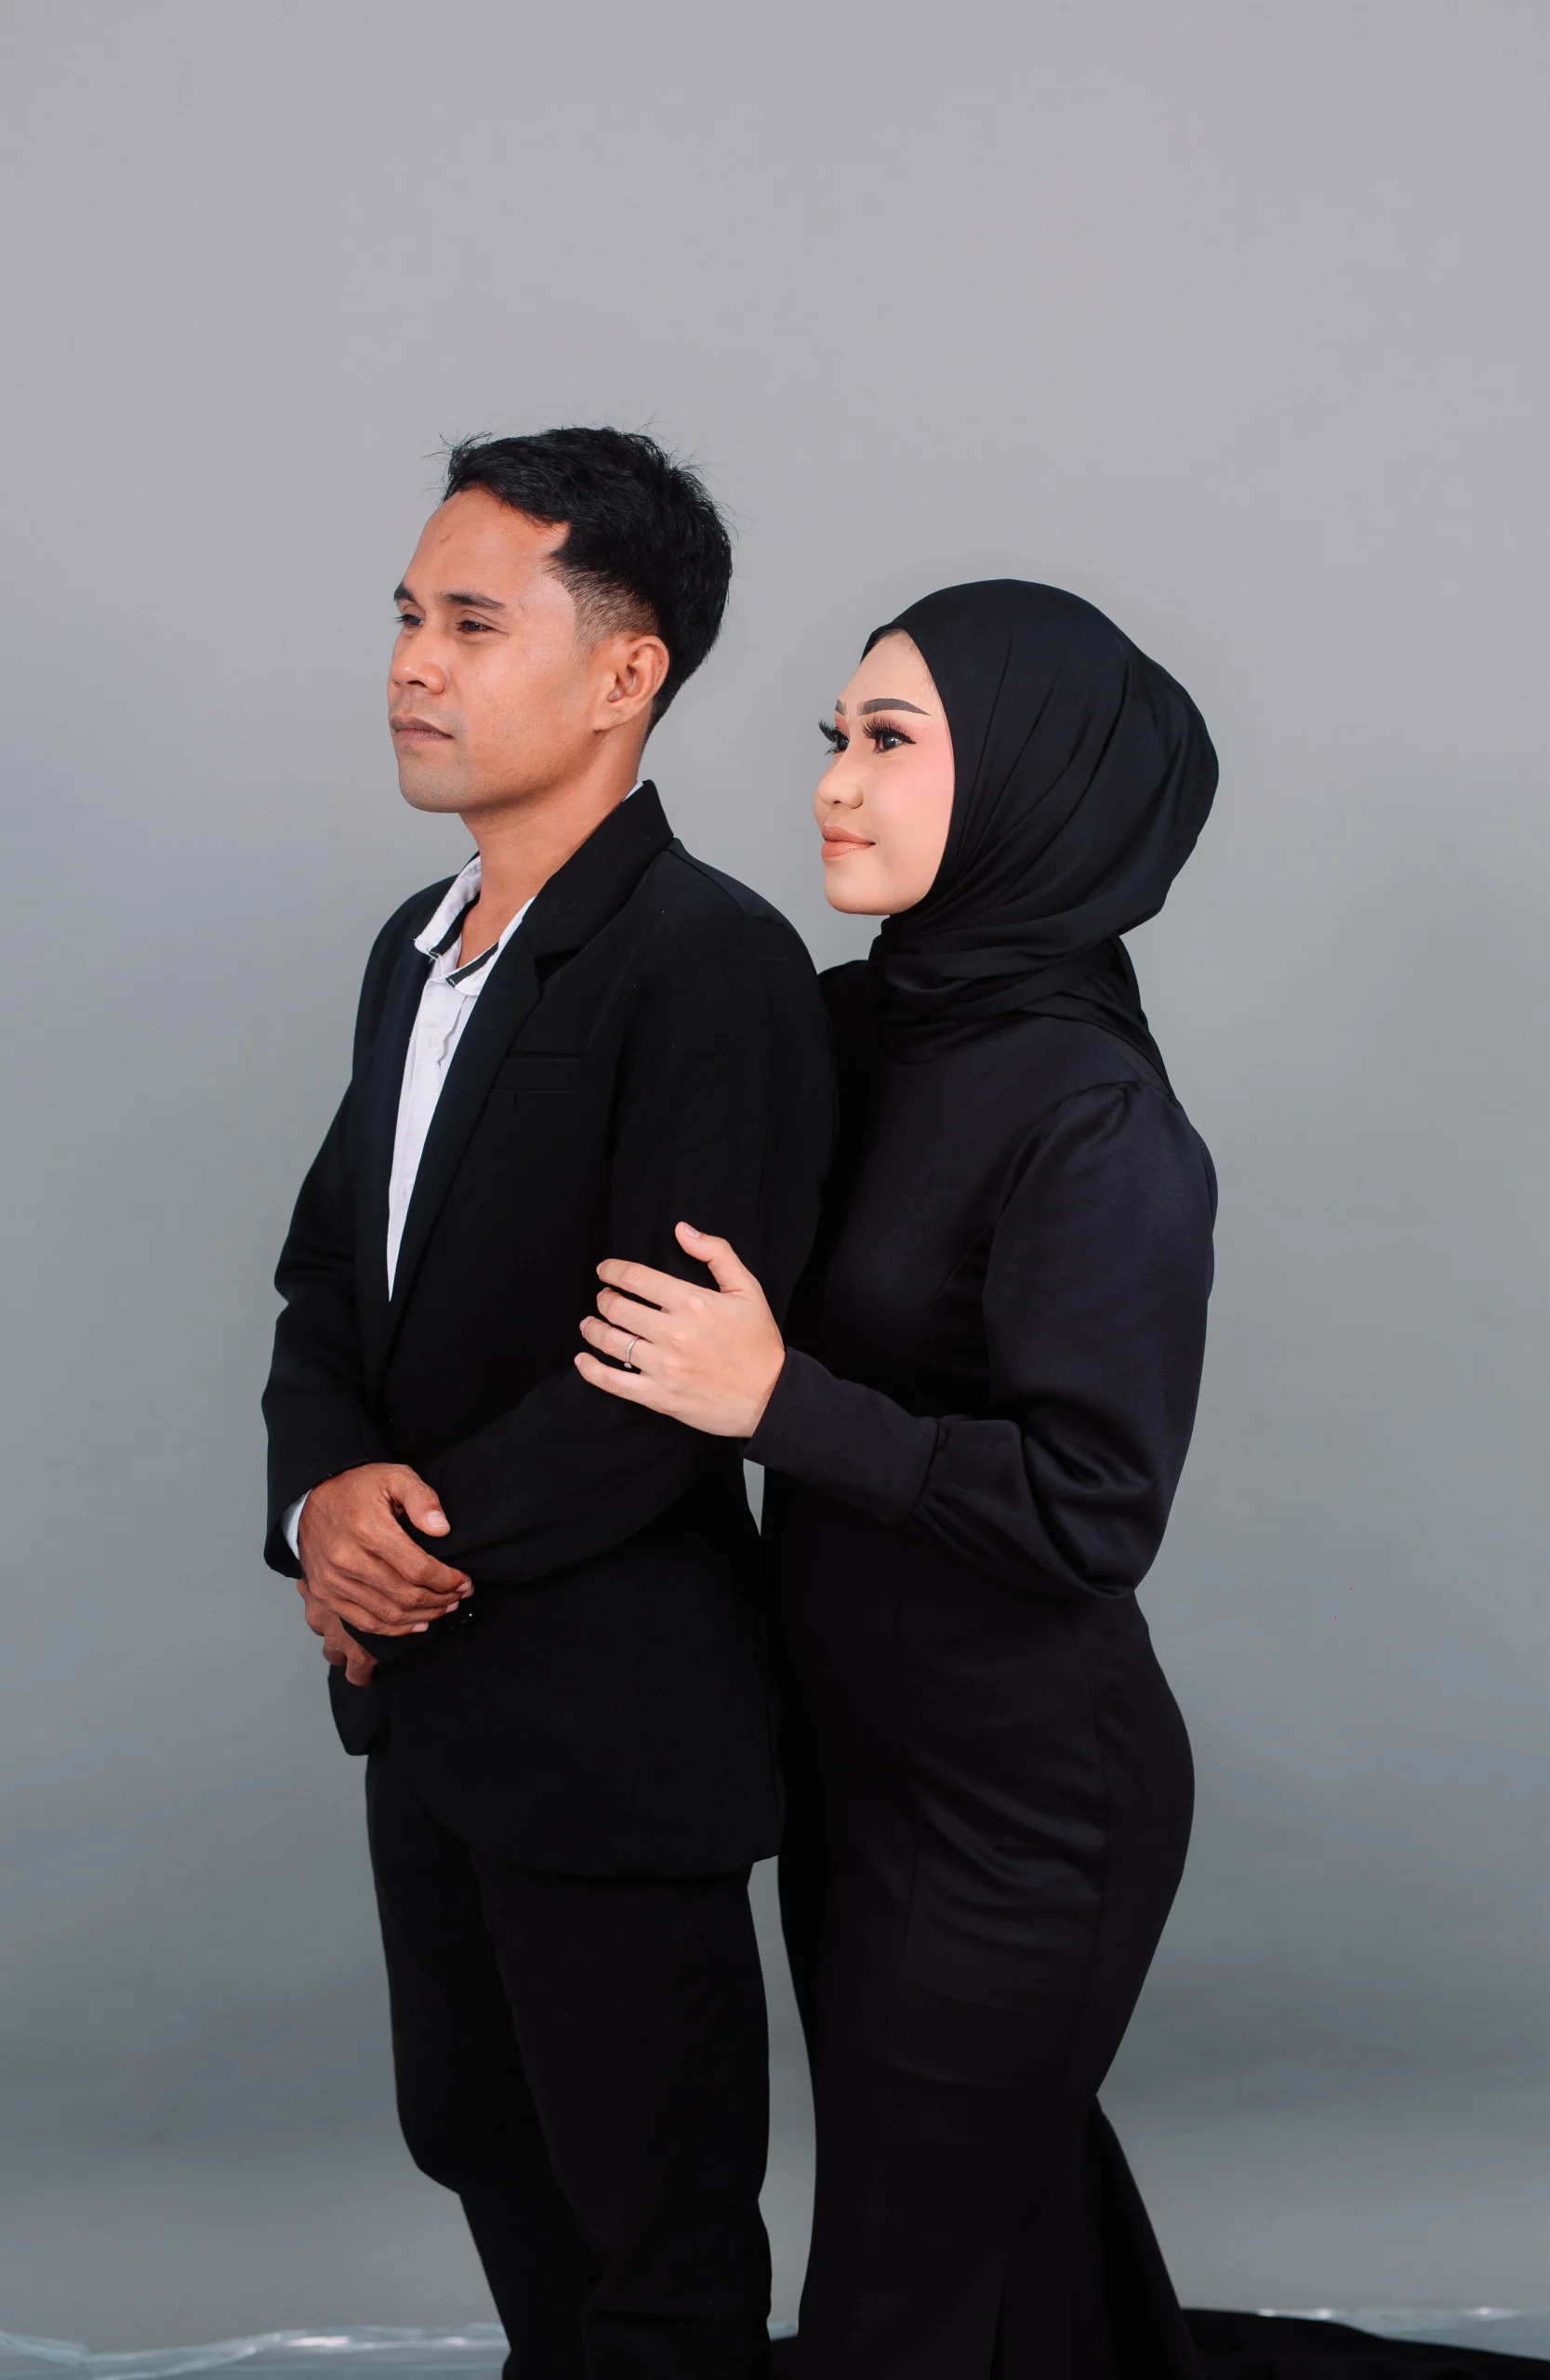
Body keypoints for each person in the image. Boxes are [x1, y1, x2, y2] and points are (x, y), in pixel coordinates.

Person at [576, 579, 1219, 2378]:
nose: (832, 785)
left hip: (1022, 1806)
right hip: (852, 1766)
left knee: (896, 2287)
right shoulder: (855, 1027)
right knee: (996, 2235)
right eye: (833, 738)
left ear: (1026, 783)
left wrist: (777, 1402)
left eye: (889, 742)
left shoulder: (1093, 1115)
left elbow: (1095, 1508)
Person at [261, 428, 833, 2380]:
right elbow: (326, 1278)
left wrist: (402, 1548)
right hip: (425, 1705)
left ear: (624, 671)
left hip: (610, 1718)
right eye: (407, 616)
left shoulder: (711, 962)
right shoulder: (411, 952)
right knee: (482, 2144)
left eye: (472, 622)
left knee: (653, 2230)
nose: (412, 664)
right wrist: (322, 1501)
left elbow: (669, 1375)